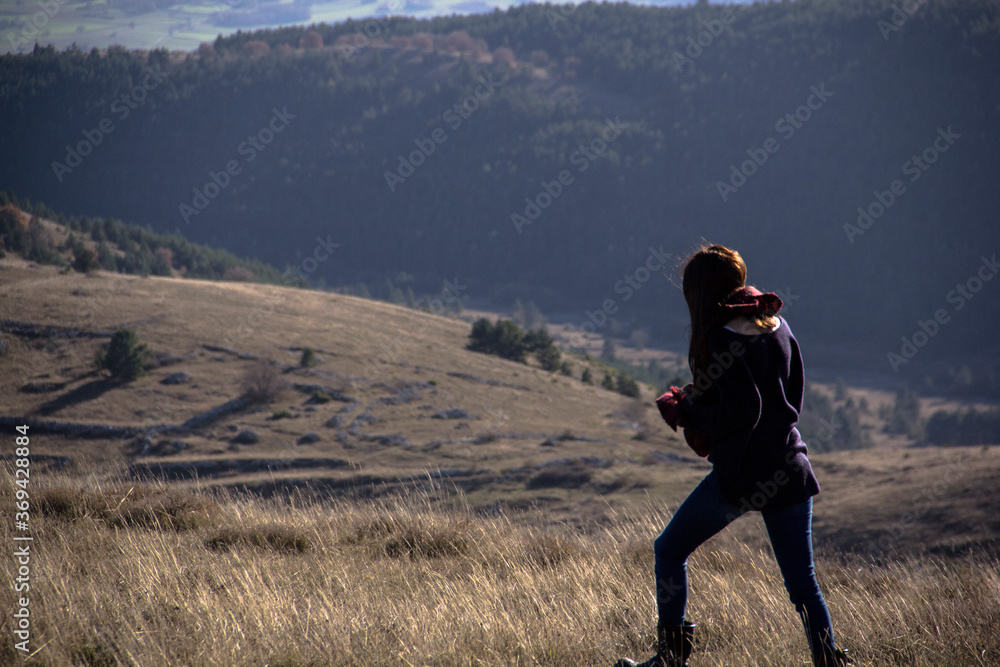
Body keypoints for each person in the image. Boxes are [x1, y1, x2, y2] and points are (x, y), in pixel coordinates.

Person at [614, 244, 852, 667]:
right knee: (804, 586)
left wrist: (685, 409)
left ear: (701, 294)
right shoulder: (778, 325)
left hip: (742, 476)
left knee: (669, 550)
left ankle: (670, 659)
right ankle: (829, 661)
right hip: (789, 466)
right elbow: (788, 400)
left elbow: (740, 414)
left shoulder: (721, 338)